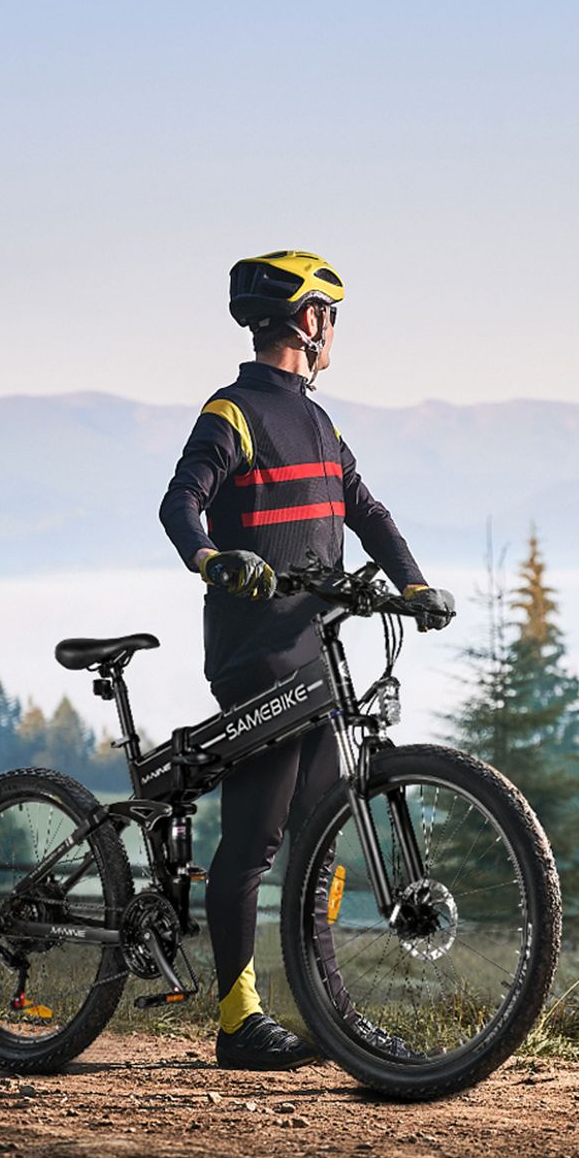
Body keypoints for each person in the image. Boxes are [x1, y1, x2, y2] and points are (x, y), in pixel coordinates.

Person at [159, 250, 452, 1070]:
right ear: (310, 320)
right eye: (332, 316)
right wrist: (214, 558)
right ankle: (238, 1020)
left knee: (319, 841)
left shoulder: (319, 422)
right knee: (255, 840)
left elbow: (364, 507)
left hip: (316, 653)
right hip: (257, 654)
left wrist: (415, 583)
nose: (334, 333)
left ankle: (328, 1016)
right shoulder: (233, 410)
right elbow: (179, 501)